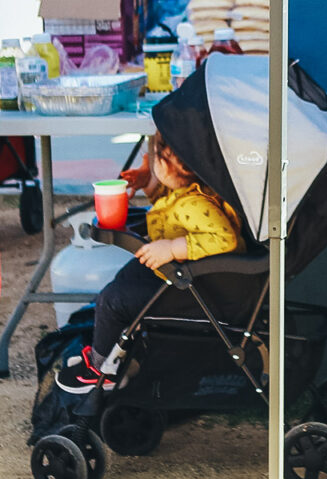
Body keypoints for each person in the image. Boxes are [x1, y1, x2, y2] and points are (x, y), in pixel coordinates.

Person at [56, 131, 245, 394]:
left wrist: (173, 247)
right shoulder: (186, 193)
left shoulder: (194, 205)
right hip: (186, 277)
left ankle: (103, 371)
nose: (149, 159)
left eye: (153, 158)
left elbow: (224, 239)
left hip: (200, 290)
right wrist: (147, 181)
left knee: (112, 300)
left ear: (167, 166)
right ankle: (121, 351)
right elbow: (169, 203)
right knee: (127, 276)